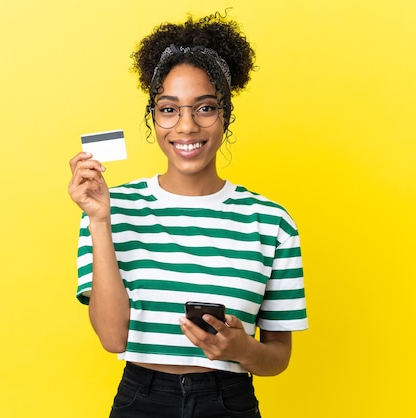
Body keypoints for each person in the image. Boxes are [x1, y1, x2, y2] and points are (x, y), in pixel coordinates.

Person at [68, 11, 307, 418]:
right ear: (154, 118)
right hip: (141, 399)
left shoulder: (271, 222)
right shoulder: (112, 208)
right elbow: (113, 338)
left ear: (225, 115)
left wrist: (242, 349)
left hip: (228, 400)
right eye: (169, 109)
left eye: (205, 108)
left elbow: (278, 357)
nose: (186, 126)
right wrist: (100, 220)